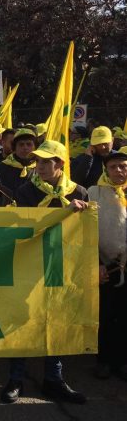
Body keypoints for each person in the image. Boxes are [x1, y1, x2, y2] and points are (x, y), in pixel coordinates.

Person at [1, 139, 89, 404]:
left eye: (45, 161)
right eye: (37, 161)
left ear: (60, 163)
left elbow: (85, 232)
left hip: (62, 266)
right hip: (30, 263)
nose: (39, 166)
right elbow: (26, 226)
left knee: (57, 320)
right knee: (22, 319)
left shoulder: (79, 192)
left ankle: (54, 379)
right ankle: (15, 379)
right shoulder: (25, 191)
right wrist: (64, 213)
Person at [87, 146, 127, 380]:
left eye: (123, 166)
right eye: (114, 167)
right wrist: (96, 263)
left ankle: (122, 361)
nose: (119, 170)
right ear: (106, 170)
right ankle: (103, 361)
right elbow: (86, 231)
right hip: (105, 265)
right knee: (105, 315)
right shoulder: (94, 193)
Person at [0, 128, 37, 193]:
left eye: (29, 144)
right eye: (21, 144)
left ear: (35, 147)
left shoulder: (40, 167)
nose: (25, 147)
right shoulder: (3, 167)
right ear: (14, 148)